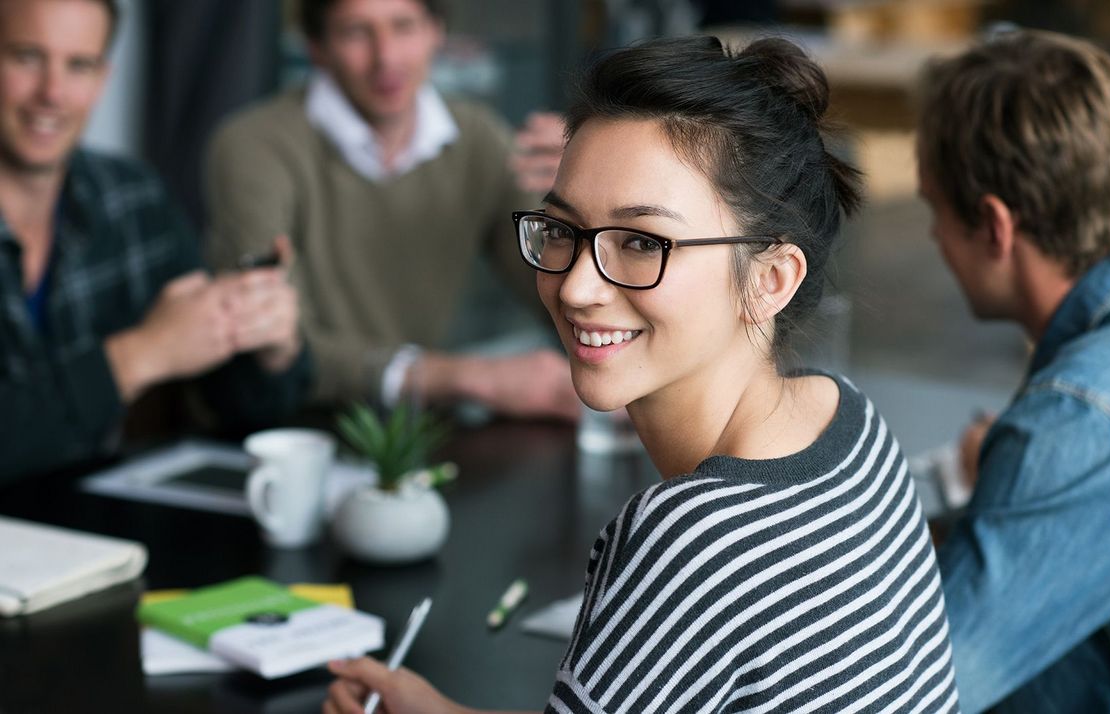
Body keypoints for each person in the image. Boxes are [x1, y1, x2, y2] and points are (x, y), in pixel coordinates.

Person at [323, 35, 960, 713]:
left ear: (771, 279)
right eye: (562, 230)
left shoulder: (692, 539)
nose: (575, 288)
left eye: (641, 243)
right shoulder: (849, 422)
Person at [205, 0, 578, 420]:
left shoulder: (478, 138)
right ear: (317, 47)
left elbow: (557, 297)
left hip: (412, 433)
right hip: (286, 429)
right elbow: (275, 341)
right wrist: (469, 376)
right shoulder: (254, 145)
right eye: (355, 32)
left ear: (436, 31)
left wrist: (584, 205)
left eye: (403, 26)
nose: (386, 57)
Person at [915, 30, 1110, 713]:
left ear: (994, 226)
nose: (931, 238)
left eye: (935, 212)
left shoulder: (1075, 420)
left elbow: (923, 690)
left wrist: (1032, 465)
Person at [0, 0, 308, 484]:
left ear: (103, 78)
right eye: (26, 58)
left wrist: (266, 345)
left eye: (79, 65)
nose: (52, 93)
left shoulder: (132, 198)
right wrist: (140, 355)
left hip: (95, 534)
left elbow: (238, 409)